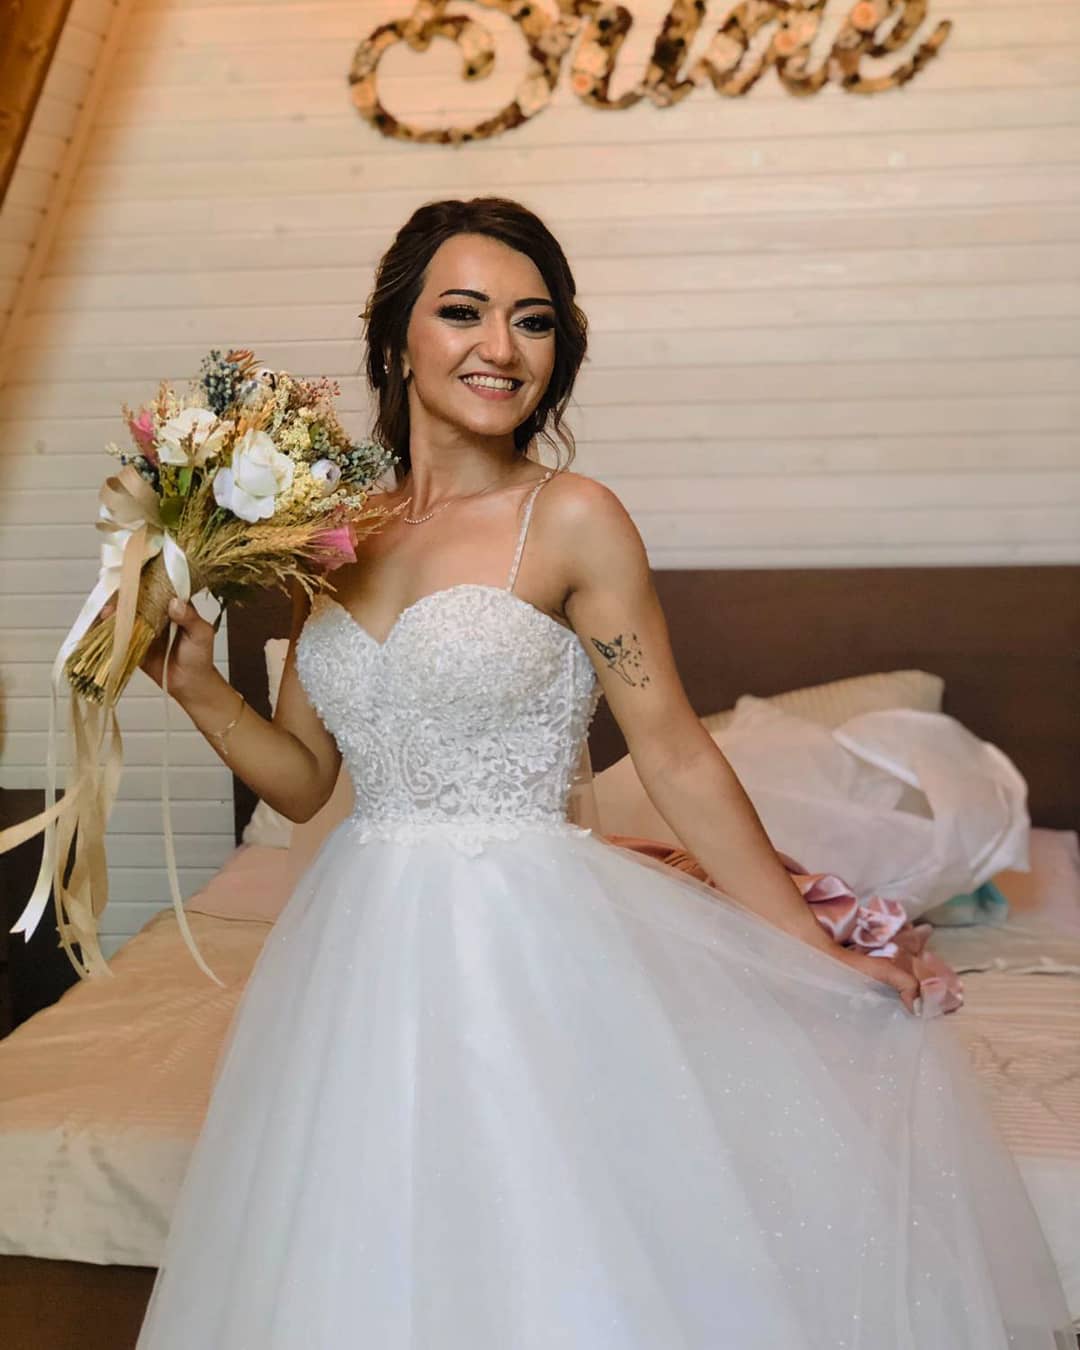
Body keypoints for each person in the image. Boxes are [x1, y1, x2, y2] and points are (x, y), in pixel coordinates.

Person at [133, 198, 1070, 1348]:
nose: (501, 346)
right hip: (355, 953)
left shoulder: (573, 517)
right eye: (463, 312)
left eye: (532, 321)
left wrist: (809, 946)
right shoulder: (329, 535)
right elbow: (301, 779)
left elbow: (672, 750)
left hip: (521, 939)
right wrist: (195, 685)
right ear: (397, 336)